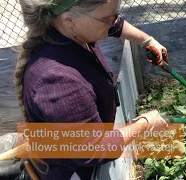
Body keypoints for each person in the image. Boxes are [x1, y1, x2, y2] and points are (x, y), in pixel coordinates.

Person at [14, 0, 170, 179]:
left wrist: (146, 40)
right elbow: (94, 149)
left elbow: (113, 23)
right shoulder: (57, 80)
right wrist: (145, 123)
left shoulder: (71, 31)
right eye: (106, 18)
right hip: (74, 173)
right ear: (68, 19)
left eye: (114, 14)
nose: (114, 21)